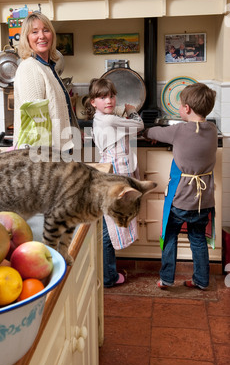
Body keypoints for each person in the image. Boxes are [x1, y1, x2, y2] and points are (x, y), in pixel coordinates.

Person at [144, 82, 217, 290]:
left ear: (186, 109)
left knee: (169, 237)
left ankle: (166, 279)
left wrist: (146, 133)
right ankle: (202, 280)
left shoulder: (178, 131)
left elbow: (153, 132)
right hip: (203, 201)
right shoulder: (212, 130)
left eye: (180, 105)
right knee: (197, 239)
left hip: (180, 199)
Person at [86, 78, 144, 287]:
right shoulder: (110, 120)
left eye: (111, 95)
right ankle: (108, 276)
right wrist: (131, 111)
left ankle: (107, 273)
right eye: (102, 97)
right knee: (109, 226)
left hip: (112, 172)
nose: (108, 100)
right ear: (93, 102)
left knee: (107, 223)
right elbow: (139, 125)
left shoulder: (103, 118)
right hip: (116, 173)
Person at [14, 11, 78, 151]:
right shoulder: (30, 67)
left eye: (46, 30)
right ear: (27, 38)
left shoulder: (48, 68)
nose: (41, 36)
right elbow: (34, 122)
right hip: (46, 154)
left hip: (60, 149)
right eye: (34, 32)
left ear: (52, 35)